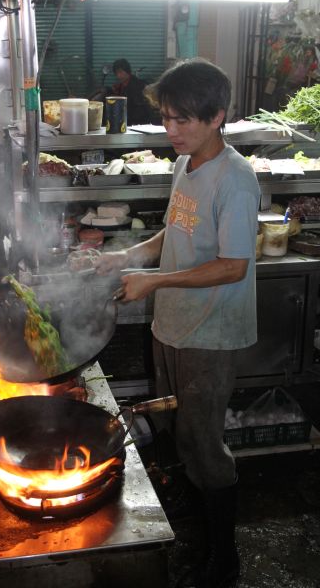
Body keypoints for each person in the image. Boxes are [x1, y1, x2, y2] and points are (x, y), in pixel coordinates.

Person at [95, 58, 261, 588]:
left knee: (204, 446)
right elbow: (171, 234)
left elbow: (234, 264)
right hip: (173, 324)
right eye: (166, 118)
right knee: (178, 434)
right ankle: (194, 536)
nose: (171, 130)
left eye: (183, 120)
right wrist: (123, 259)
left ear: (217, 116)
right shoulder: (184, 163)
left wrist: (155, 283)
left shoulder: (235, 180)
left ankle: (223, 558)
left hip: (209, 335)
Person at [110, 58, 153, 125]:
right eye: (116, 73)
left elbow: (137, 110)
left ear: (127, 71)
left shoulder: (138, 86)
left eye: (121, 72)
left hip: (138, 124)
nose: (118, 76)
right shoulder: (120, 86)